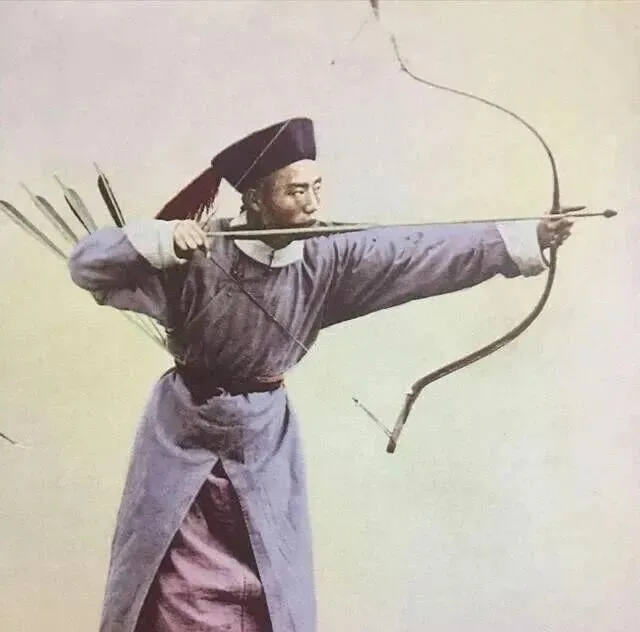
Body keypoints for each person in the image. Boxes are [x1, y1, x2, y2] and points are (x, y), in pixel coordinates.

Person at [68, 117, 573, 632]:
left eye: (317, 188)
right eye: (296, 191)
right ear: (255, 199)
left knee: (266, 584)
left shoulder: (328, 257)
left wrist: (526, 237)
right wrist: (162, 239)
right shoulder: (198, 251)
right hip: (180, 437)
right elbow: (87, 266)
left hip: (261, 443)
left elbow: (419, 250)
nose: (312, 204)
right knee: (168, 585)